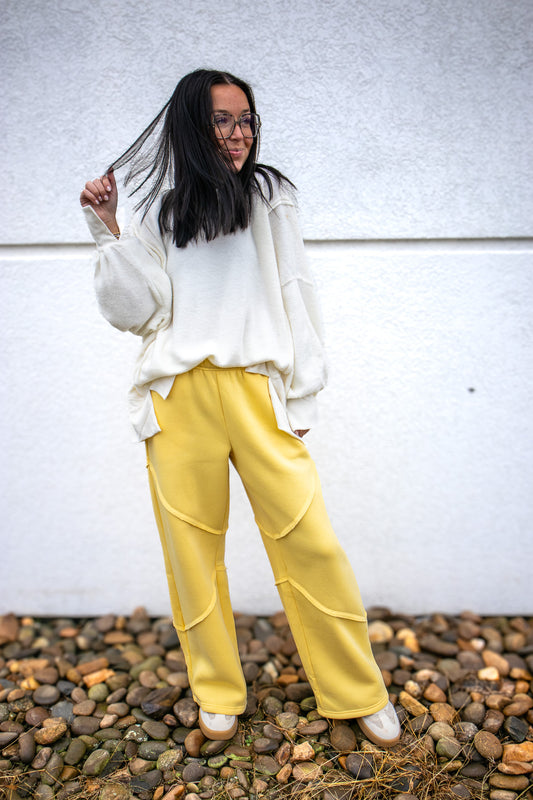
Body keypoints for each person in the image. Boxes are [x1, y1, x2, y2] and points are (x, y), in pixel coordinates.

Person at [80, 68, 401, 746]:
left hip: (256, 389)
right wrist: (108, 232)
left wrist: (302, 389)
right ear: (192, 128)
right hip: (178, 398)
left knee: (310, 542)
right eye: (221, 120)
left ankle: (356, 689)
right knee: (192, 554)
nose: (237, 133)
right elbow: (139, 315)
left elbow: (296, 289)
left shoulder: (268, 195)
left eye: (245, 119)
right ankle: (217, 692)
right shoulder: (161, 212)